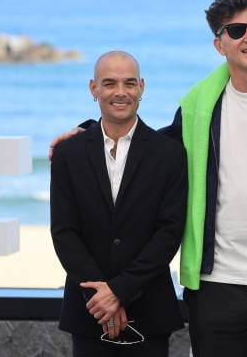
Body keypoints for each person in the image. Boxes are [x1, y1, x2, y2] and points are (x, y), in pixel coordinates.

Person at [49, 0, 247, 356]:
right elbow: (147, 147)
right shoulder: (198, 105)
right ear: (220, 45)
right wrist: (88, 132)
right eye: (237, 31)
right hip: (215, 286)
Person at [50, 51, 187, 357]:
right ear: (93, 88)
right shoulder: (67, 154)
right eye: (109, 83)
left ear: (142, 87)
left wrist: (120, 292)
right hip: (89, 310)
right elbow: (64, 232)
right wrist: (101, 296)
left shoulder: (170, 155)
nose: (121, 92)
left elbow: (169, 232)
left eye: (129, 83)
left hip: (150, 310)